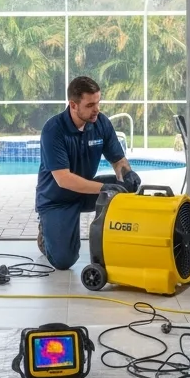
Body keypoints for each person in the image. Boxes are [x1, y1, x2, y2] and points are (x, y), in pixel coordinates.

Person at [35, 76, 142, 269]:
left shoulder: (101, 123)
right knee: (64, 261)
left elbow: (118, 160)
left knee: (126, 187)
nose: (97, 109)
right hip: (56, 200)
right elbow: (64, 179)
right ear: (73, 105)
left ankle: (121, 241)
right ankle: (47, 231)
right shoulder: (53, 130)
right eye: (90, 104)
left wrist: (127, 174)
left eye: (98, 102)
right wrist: (105, 187)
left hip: (86, 191)